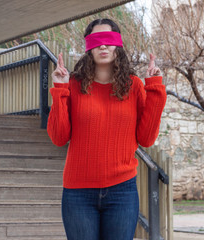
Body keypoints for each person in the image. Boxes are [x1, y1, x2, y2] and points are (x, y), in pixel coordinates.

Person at [47, 18, 167, 240]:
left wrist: (155, 89)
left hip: (122, 191)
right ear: (88, 48)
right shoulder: (72, 84)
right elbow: (58, 137)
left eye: (108, 40)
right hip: (78, 192)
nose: (103, 45)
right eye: (96, 40)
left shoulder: (134, 86)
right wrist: (60, 89)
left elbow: (147, 139)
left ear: (118, 45)